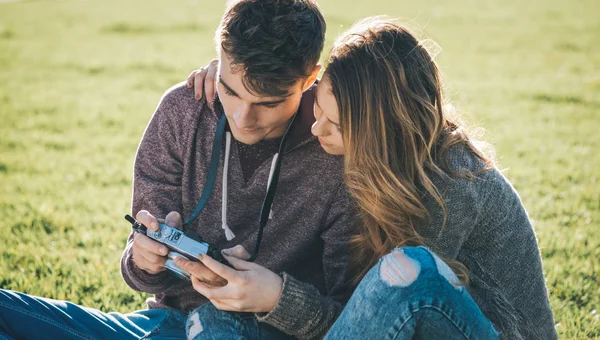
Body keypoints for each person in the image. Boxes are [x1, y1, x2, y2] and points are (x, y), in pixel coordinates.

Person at [0, 1, 358, 339]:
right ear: (219, 57)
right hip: (167, 325)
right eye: (230, 92)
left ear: (312, 76)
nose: (242, 119)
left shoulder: (340, 148)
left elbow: (352, 319)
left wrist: (278, 299)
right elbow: (139, 271)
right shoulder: (183, 111)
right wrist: (145, 258)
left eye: (268, 103)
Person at [188, 17, 557, 339]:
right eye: (319, 106)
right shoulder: (377, 161)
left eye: (338, 125)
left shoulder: (449, 182)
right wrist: (230, 78)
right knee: (212, 320)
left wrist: (278, 299)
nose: (317, 128)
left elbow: (379, 315)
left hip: (491, 331)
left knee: (410, 270)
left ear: (384, 130)